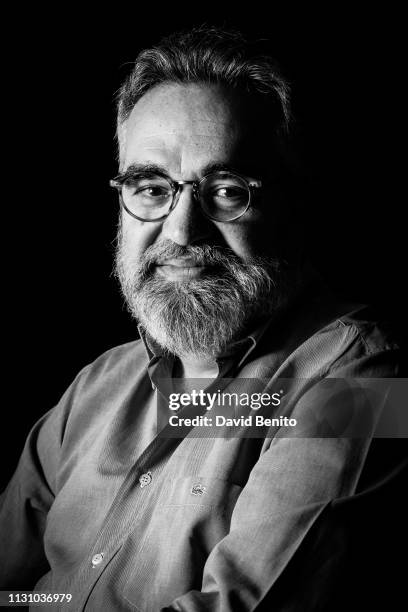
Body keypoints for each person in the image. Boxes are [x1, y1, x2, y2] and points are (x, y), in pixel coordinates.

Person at [0, 25, 406, 611]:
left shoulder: (370, 381)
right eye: (150, 186)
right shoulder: (94, 388)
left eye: (226, 189)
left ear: (291, 205)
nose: (181, 230)